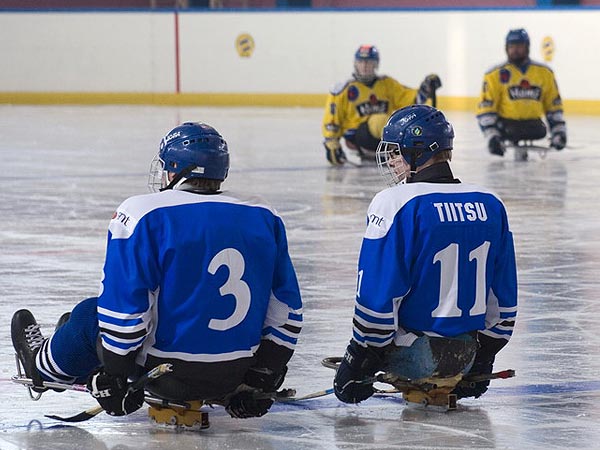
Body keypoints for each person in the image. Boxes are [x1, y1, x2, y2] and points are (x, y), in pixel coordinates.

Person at [11, 122, 303, 420]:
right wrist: (262, 376)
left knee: (88, 316)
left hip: (165, 374)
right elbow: (286, 309)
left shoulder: (145, 213)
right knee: (89, 324)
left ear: (177, 168)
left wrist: (115, 374)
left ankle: (43, 367)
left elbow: (125, 311)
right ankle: (70, 345)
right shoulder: (264, 214)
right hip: (235, 373)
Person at [333, 105, 517, 404]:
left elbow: (376, 300)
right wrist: (482, 358)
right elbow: (503, 297)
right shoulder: (491, 203)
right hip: (467, 355)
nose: (392, 161)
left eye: (396, 153)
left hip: (414, 356)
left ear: (417, 151)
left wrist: (360, 361)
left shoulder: (395, 203)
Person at [322, 44, 441, 165]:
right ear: (355, 63)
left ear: (376, 64)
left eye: (369, 63)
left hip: (384, 137)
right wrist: (331, 142)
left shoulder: (386, 83)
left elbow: (409, 100)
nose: (364, 66)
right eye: (361, 62)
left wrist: (426, 88)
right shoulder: (344, 89)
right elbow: (332, 117)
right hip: (358, 136)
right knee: (380, 120)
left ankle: (399, 149)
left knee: (404, 120)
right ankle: (395, 150)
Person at [477, 28, 567, 159]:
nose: (515, 50)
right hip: (507, 125)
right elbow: (486, 108)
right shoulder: (494, 74)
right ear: (506, 48)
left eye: (519, 46)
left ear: (527, 47)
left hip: (535, 125)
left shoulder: (544, 73)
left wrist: (559, 132)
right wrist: (492, 136)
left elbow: (553, 105)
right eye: (511, 46)